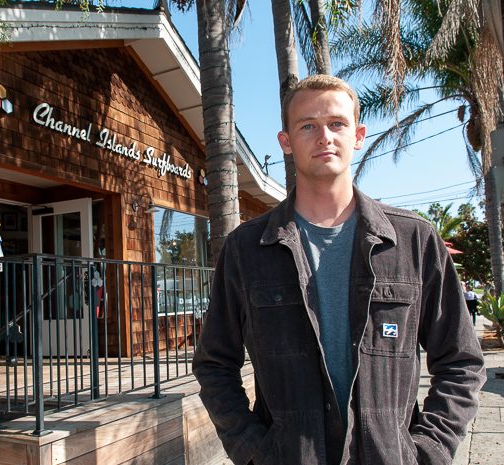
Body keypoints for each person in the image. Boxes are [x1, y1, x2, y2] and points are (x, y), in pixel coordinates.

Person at [192, 75, 485, 465]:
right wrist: (254, 451)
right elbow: (214, 364)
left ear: (358, 135)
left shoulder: (414, 240)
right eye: (307, 126)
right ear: (286, 141)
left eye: (337, 123)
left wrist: (429, 450)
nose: (324, 137)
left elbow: (461, 361)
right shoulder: (246, 249)